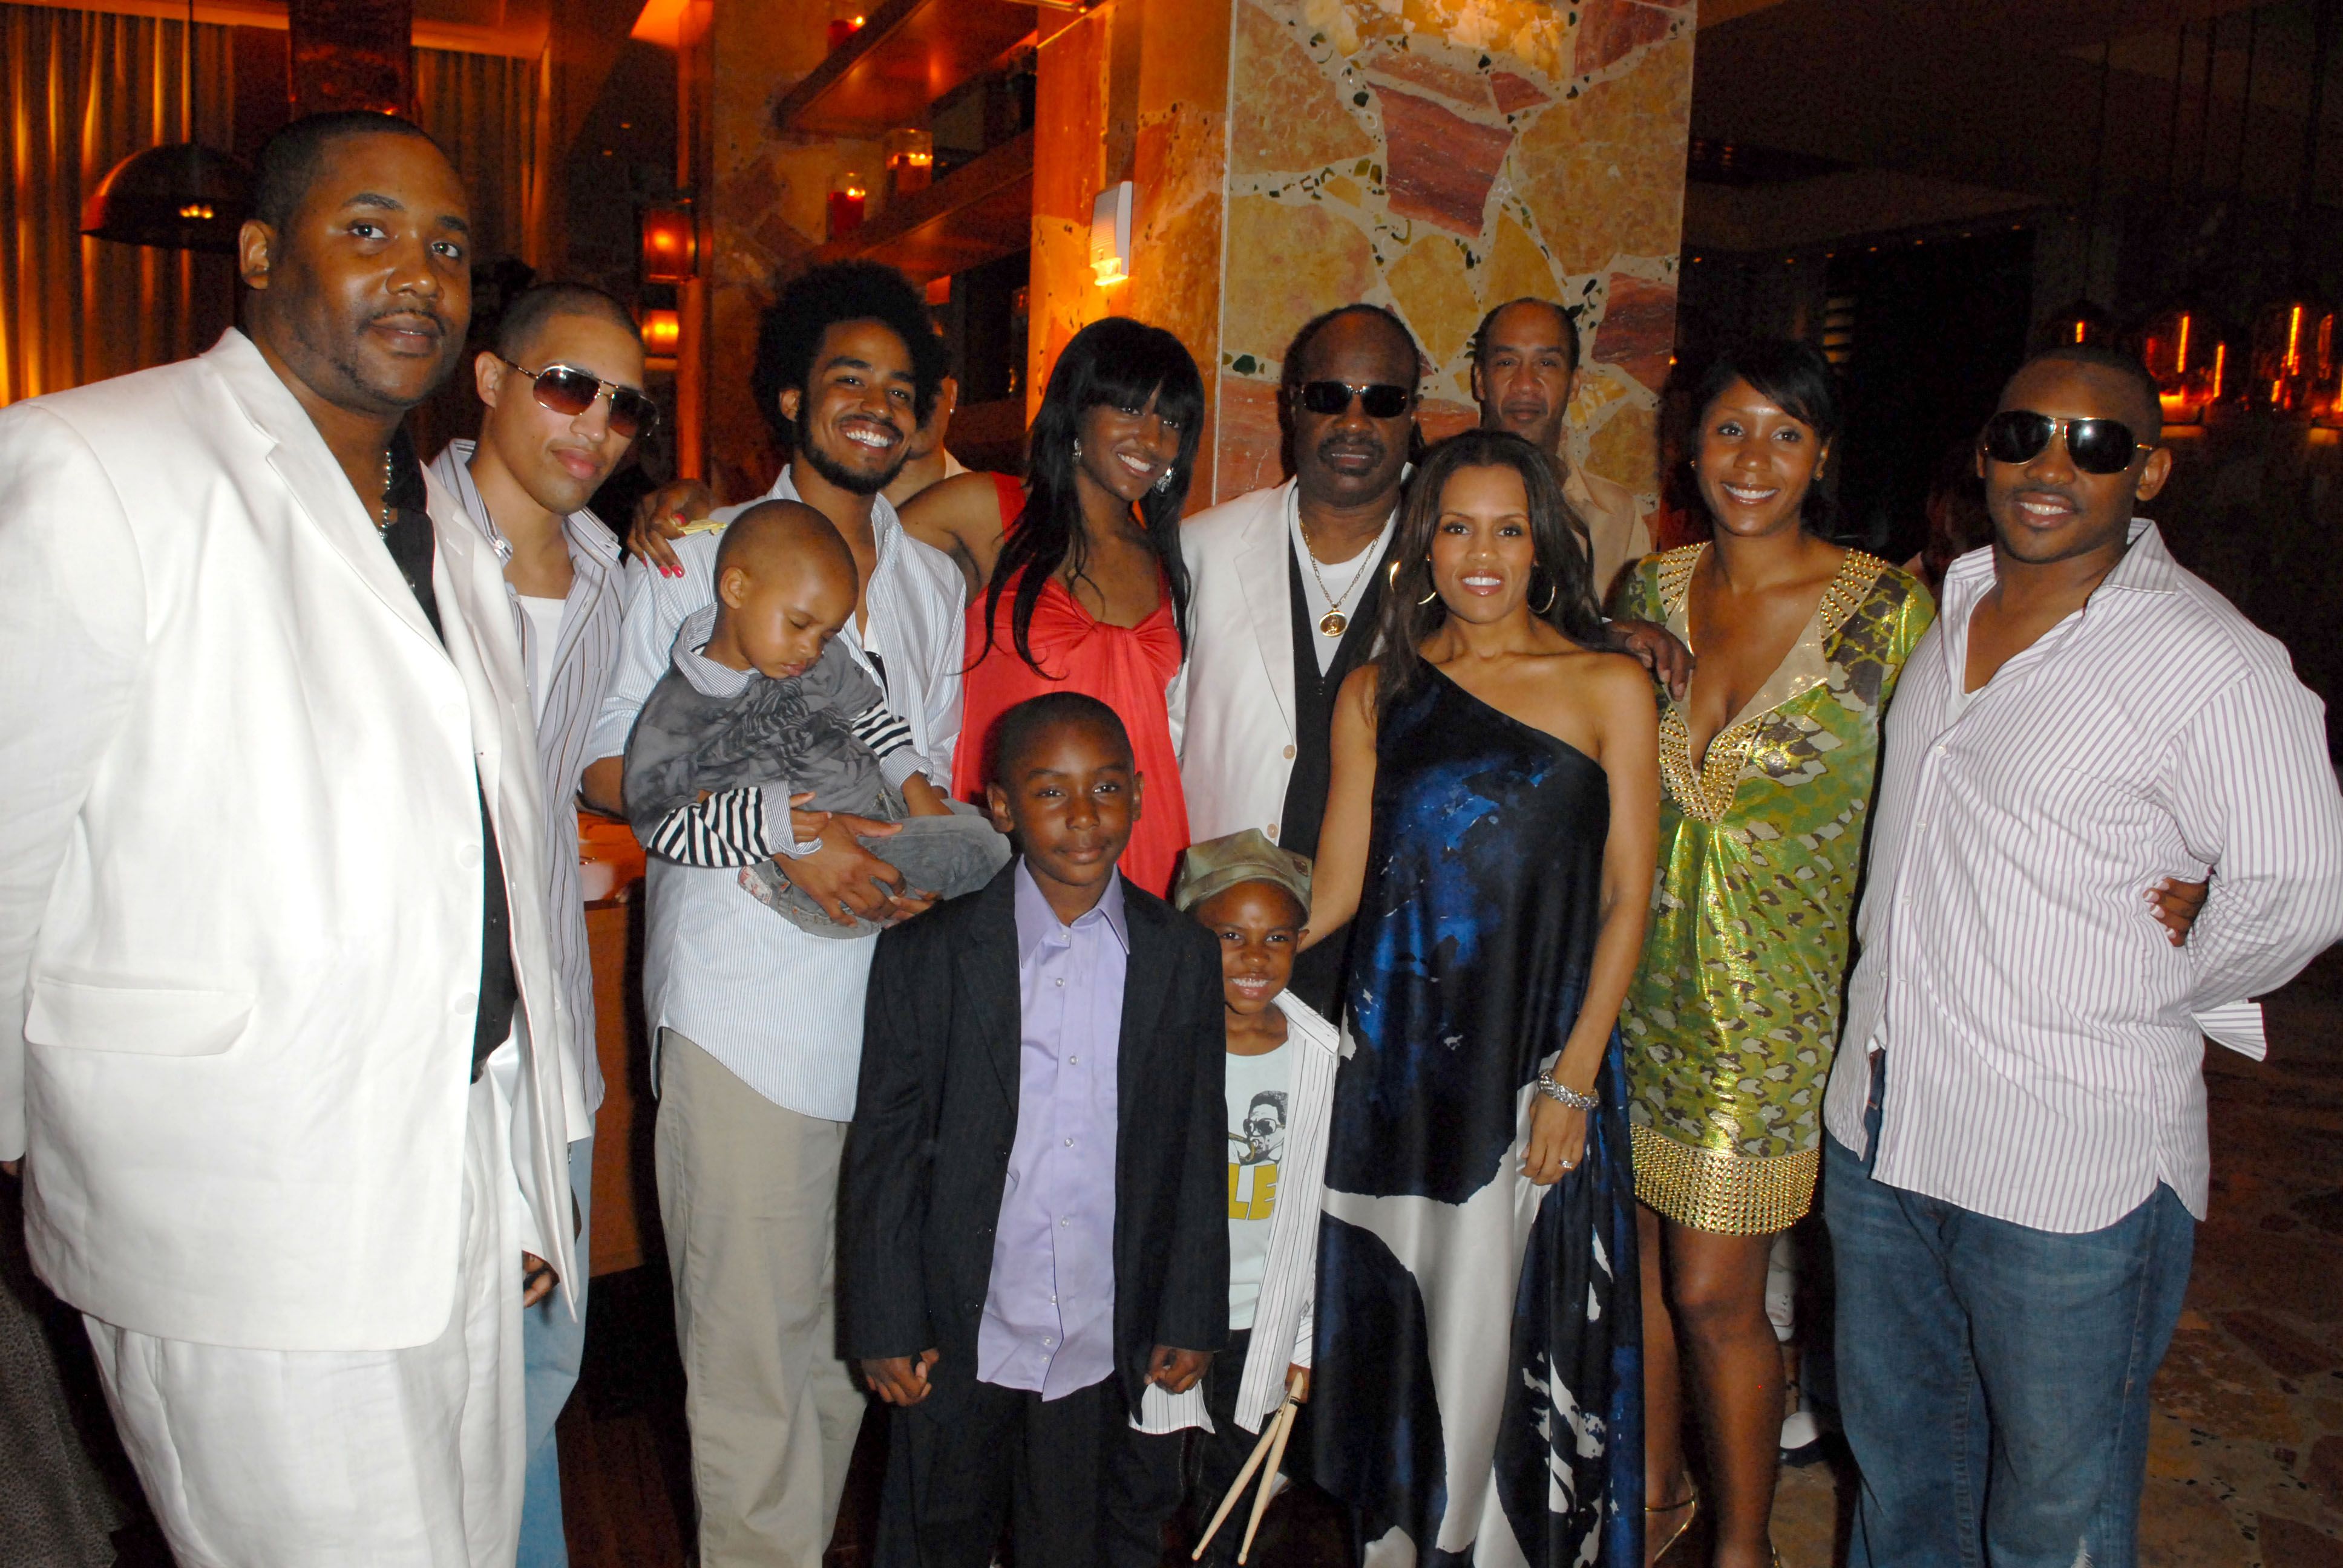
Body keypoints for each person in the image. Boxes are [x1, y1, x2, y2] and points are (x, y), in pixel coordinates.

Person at [0, 111, 575, 1566]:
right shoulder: (92, 461)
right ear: (259, 255)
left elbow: (484, 853)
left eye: (449, 247)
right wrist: (40, 1142)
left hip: (441, 1174)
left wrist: (508, 1175)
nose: (421, 277)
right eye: (368, 230)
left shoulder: (435, 519)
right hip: (234, 1198)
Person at [1821, 345, 2343, 1568]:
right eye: (2022, 435)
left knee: (2052, 1521)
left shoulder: (2209, 659)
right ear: (1984, 451)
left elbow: (2304, 885)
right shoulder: (1947, 603)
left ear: (2147, 470)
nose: (2049, 466)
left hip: (2067, 1166)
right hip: (1884, 1131)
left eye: (2094, 444)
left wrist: (2192, 974)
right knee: (1902, 1484)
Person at [580, 260, 966, 1566]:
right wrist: (791, 832)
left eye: (899, 388)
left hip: (888, 1022)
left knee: (848, 1354)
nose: (873, 405)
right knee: (748, 1374)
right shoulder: (694, 551)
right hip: (744, 1019)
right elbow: (602, 762)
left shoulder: (931, 586)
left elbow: (923, 775)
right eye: (845, 376)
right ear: (792, 393)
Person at [1302, 428, 1659, 1564]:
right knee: (1406, 1337)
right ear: (1425, 543)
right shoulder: (1376, 693)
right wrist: (1209, 945)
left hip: (1533, 1079)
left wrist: (1574, 1074)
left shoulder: (1607, 685)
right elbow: (1334, 890)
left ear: (1544, 542)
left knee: (1520, 1340)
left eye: (1509, 527)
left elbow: (1628, 898)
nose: (1482, 553)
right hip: (1395, 1083)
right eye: (1456, 526)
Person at [1609, 340, 1933, 1568]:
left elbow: (1970, 766)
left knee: (1713, 1295)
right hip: (1632, 985)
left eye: (1784, 435)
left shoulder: (1886, 614)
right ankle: (1650, 1507)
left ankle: (1745, 1543)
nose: (1754, 460)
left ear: (1822, 458)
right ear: (1690, 448)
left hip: (1774, 1014)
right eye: (1731, 430)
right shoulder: (1647, 585)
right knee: (1640, 1276)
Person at [1179, 305, 1689, 1013]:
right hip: (1232, 943)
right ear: (1291, 405)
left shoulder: (1448, 561)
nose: (1354, 422)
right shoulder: (1199, 549)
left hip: (1399, 964)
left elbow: (1531, 636)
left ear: (1411, 415)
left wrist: (1613, 632)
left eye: (1382, 402)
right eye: (1329, 396)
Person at [841, 693, 1228, 1568]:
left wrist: (1190, 1304)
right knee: (935, 1536)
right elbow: (886, 1151)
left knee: (1073, 1541)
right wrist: (886, 1314)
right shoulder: (927, 955)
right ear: (1003, 807)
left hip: (1098, 1331)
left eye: (1105, 789)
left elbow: (1198, 1146)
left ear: (1136, 791)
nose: (1084, 818)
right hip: (958, 1328)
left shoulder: (1178, 957)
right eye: (1050, 793)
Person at [427, 279, 646, 1568]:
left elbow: (597, 767)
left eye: (626, 405)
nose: (598, 424)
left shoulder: (618, 574)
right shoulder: (389, 540)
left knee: (547, 1362)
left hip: (552, 1034)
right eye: (570, 385)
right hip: (430, 1048)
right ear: (494, 380)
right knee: (453, 1382)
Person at [621, 500, 1006, 932]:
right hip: (804, 870)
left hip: (887, 813)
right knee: (992, 858)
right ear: (736, 590)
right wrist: (774, 829)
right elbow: (657, 821)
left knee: (1003, 844)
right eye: (799, 624)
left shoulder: (817, 659)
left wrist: (918, 793)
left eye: (826, 635)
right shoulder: (679, 710)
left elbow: (869, 715)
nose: (811, 650)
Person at [1133, 829, 1342, 1567]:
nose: (1254, 959)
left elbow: (1327, 1216)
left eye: (1276, 937)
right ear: (1186, 933)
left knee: (1234, 1500)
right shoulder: (1154, 1043)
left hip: (1264, 1322)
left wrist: (1308, 1343)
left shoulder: (1322, 1059)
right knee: (1142, 1486)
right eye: (1229, 935)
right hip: (1164, 1313)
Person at [946, 316, 1204, 896]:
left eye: (1171, 422)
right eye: (1131, 410)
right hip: (1015, 839)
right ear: (1077, 409)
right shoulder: (988, 510)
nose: (1152, 439)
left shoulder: (1166, 556)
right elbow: (852, 554)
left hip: (1145, 835)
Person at [1472, 296, 1654, 604]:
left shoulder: (1616, 516)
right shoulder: (1434, 498)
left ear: (1575, 384)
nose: (1526, 383)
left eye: (1547, 363)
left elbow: (1633, 635)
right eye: (1506, 363)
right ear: (1480, 382)